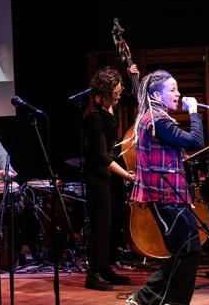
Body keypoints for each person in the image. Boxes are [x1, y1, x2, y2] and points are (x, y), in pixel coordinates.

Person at [126, 70, 205, 305]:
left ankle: (173, 300)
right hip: (164, 195)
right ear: (156, 96)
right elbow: (195, 141)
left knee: (189, 249)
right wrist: (194, 113)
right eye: (172, 89)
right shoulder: (157, 121)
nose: (178, 94)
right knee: (187, 249)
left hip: (173, 194)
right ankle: (146, 297)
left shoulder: (157, 118)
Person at [82, 66, 137, 291]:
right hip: (98, 174)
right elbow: (100, 156)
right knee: (100, 224)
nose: (120, 91)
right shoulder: (93, 116)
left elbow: (136, 99)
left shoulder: (111, 104)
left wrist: (135, 75)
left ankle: (106, 268)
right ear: (106, 91)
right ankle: (93, 274)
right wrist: (126, 174)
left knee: (113, 222)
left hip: (111, 172)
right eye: (117, 88)